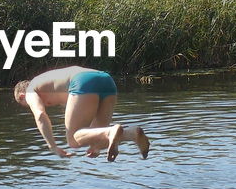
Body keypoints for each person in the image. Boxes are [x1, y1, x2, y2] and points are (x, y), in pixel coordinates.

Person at [14, 65, 149, 161]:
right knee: (99, 140)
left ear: (21, 96)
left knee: (73, 140)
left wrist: (52, 146)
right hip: (106, 80)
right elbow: (84, 114)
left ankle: (110, 132)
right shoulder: (47, 83)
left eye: (25, 105)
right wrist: (95, 146)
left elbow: (40, 115)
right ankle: (132, 133)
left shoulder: (31, 90)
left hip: (83, 81)